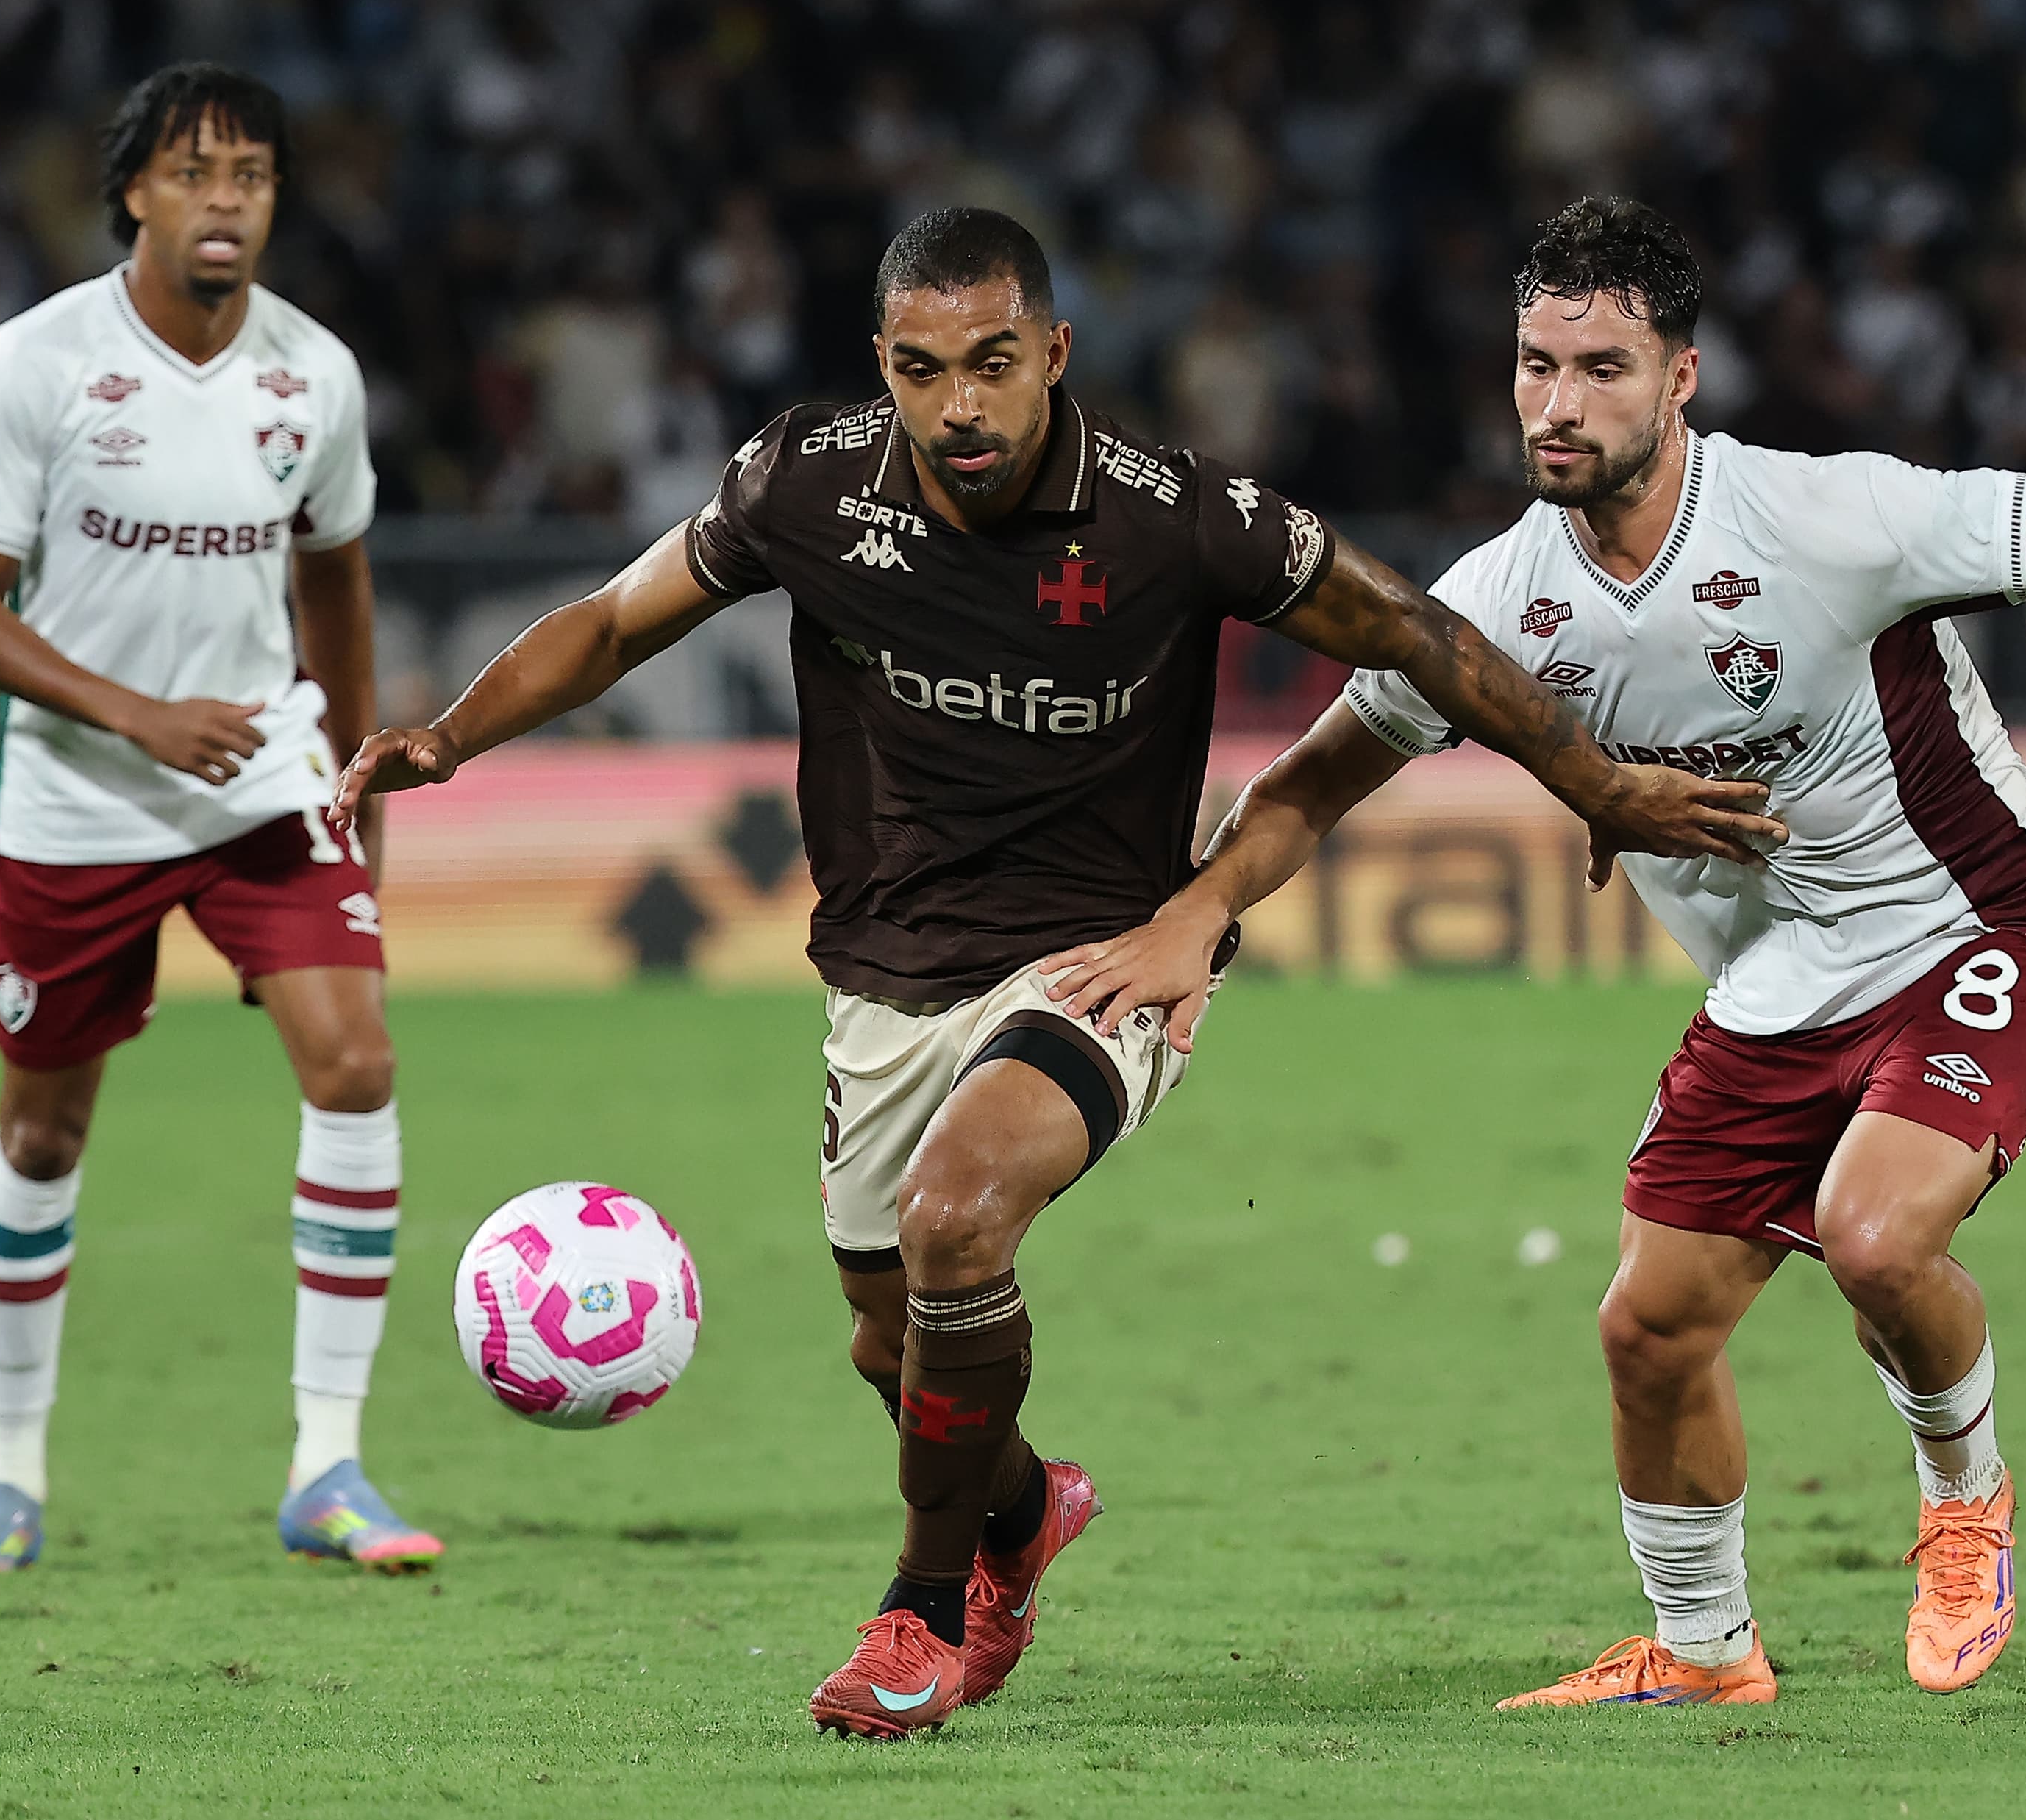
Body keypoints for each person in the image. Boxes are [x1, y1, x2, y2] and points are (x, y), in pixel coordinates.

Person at [329, 207, 1780, 1737]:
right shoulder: (805, 483)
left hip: (1102, 965)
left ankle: (923, 1611)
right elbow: (620, 622)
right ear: (879, 367)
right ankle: (1020, 1517)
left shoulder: (1176, 518)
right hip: (884, 973)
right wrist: (452, 737)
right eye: (921, 370)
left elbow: (1419, 630)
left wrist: (1597, 783)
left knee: (961, 1217)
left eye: (994, 365)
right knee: (892, 1345)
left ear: (1056, 354)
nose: (960, 406)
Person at [1038, 196, 2026, 1706]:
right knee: (1650, 1329)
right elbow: (1313, 780)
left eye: (1601, 368)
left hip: (1979, 931)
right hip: (1774, 990)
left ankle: (1964, 1501)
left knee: (1873, 1234)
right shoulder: (1498, 602)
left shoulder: (1821, 518)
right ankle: (1703, 1651)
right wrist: (1195, 918)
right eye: (1536, 365)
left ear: (1681, 377)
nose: (1556, 403)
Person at [0, 63, 439, 1576]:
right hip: (83, 797)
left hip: (264, 782)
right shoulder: (34, 366)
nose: (227, 200)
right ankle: (8, 1473)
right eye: (196, 171)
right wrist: (137, 716)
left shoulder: (315, 378)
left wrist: (359, 798)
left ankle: (328, 1466)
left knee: (356, 1064)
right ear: (134, 191)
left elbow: (334, 589)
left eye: (255, 176)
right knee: (44, 1121)